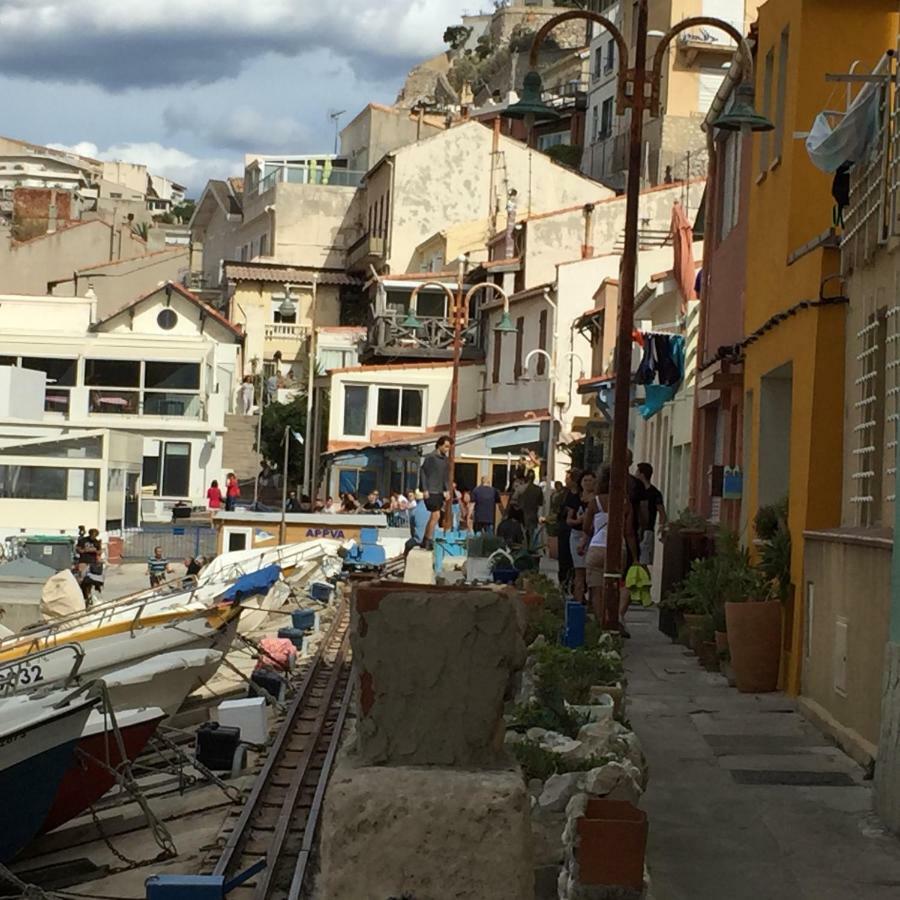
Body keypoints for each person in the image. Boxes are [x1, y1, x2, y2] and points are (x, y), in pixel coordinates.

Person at [581, 466, 639, 633]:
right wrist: (635, 557)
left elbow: (586, 527)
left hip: (596, 548)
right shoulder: (625, 503)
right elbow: (629, 533)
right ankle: (618, 615)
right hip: (617, 549)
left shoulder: (595, 502)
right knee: (621, 584)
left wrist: (595, 531)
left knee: (596, 589)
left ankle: (602, 625)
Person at [418, 435, 451, 549]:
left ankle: (426, 539)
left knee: (435, 516)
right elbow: (423, 473)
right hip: (431, 490)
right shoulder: (431, 458)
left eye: (449, 447)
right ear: (440, 445)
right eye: (446, 446)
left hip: (440, 491)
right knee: (436, 515)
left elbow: (445, 477)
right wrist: (424, 489)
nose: (447, 449)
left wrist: (447, 490)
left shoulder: (445, 460)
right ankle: (427, 539)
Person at [568, 471, 595, 605]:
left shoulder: (597, 500)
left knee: (591, 571)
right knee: (579, 570)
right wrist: (580, 520)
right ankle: (578, 599)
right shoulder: (575, 498)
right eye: (585, 480)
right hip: (577, 535)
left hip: (593, 536)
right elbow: (569, 520)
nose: (588, 483)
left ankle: (592, 601)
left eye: (590, 480)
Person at [636, 462, 667, 565]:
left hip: (647, 530)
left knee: (643, 562)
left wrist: (662, 527)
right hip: (636, 529)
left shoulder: (654, 493)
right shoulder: (637, 491)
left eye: (637, 472)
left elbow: (662, 512)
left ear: (642, 474)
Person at [556, 470, 580, 591]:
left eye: (568, 478)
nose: (565, 480)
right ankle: (564, 581)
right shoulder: (565, 493)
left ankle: (574, 583)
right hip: (564, 528)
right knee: (564, 557)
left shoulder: (580, 495)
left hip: (575, 529)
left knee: (573, 559)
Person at [518, 470, 544, 535]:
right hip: (533, 514)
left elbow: (516, 501)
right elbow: (541, 503)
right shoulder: (538, 489)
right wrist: (540, 516)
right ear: (534, 478)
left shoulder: (521, 488)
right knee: (532, 535)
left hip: (522, 514)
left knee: (523, 536)